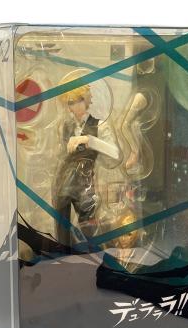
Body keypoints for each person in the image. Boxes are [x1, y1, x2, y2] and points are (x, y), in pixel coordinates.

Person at [52, 76, 121, 250]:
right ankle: (63, 255)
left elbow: (115, 153)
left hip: (85, 185)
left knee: (89, 228)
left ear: (87, 99)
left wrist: (88, 140)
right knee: (61, 228)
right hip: (64, 183)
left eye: (79, 100)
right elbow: (60, 157)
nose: (75, 106)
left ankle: (96, 256)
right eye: (70, 102)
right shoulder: (65, 126)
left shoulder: (99, 125)